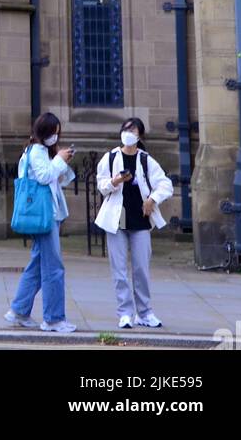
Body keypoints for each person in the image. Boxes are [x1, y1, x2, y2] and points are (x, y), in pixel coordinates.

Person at [95, 117, 173, 329]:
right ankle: (125, 313)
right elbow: (101, 185)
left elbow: (165, 184)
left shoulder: (146, 160)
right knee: (119, 269)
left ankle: (145, 312)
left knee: (141, 269)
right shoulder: (110, 157)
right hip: (118, 216)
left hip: (140, 217)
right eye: (126, 130)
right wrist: (115, 181)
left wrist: (152, 199)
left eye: (133, 131)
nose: (129, 134)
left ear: (139, 136)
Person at [4, 112, 77, 334]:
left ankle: (18, 311)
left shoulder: (42, 151)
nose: (56, 136)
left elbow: (56, 180)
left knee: (37, 266)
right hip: (45, 217)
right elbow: (45, 176)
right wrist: (59, 160)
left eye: (58, 133)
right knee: (53, 268)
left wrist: (62, 162)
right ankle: (53, 319)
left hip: (48, 214)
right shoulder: (36, 151)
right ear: (44, 132)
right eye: (54, 132)